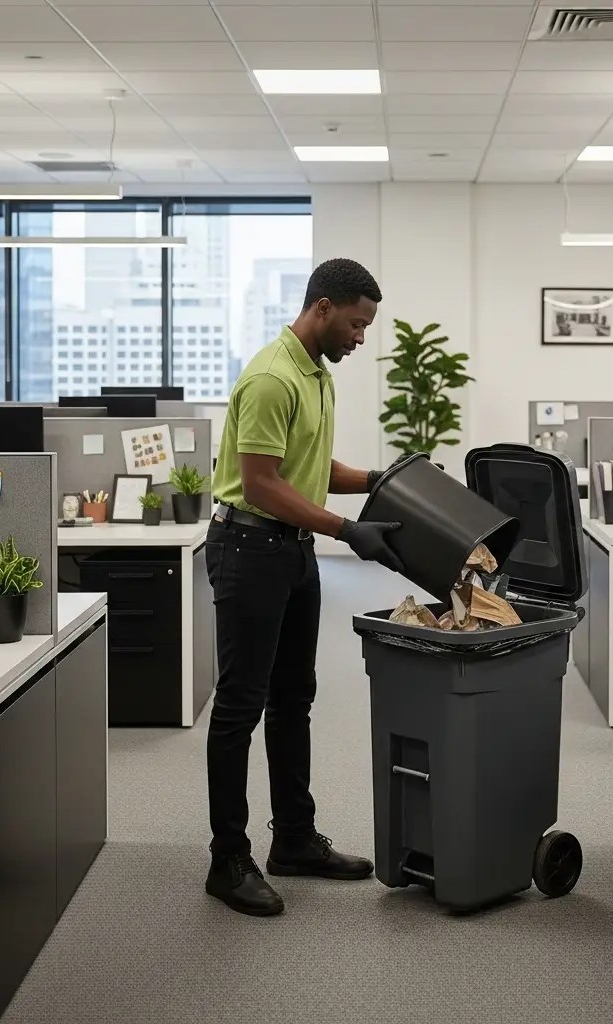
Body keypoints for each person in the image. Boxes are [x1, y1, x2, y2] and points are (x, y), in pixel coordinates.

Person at [204, 257, 403, 917]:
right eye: (356, 323)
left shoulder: (316, 374)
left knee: (294, 698)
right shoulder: (271, 376)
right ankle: (228, 861)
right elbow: (260, 482)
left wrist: (378, 478)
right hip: (248, 549)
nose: (360, 337)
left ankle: (293, 839)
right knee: (240, 705)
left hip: (290, 553)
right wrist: (348, 530)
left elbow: (309, 468)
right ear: (322, 308)